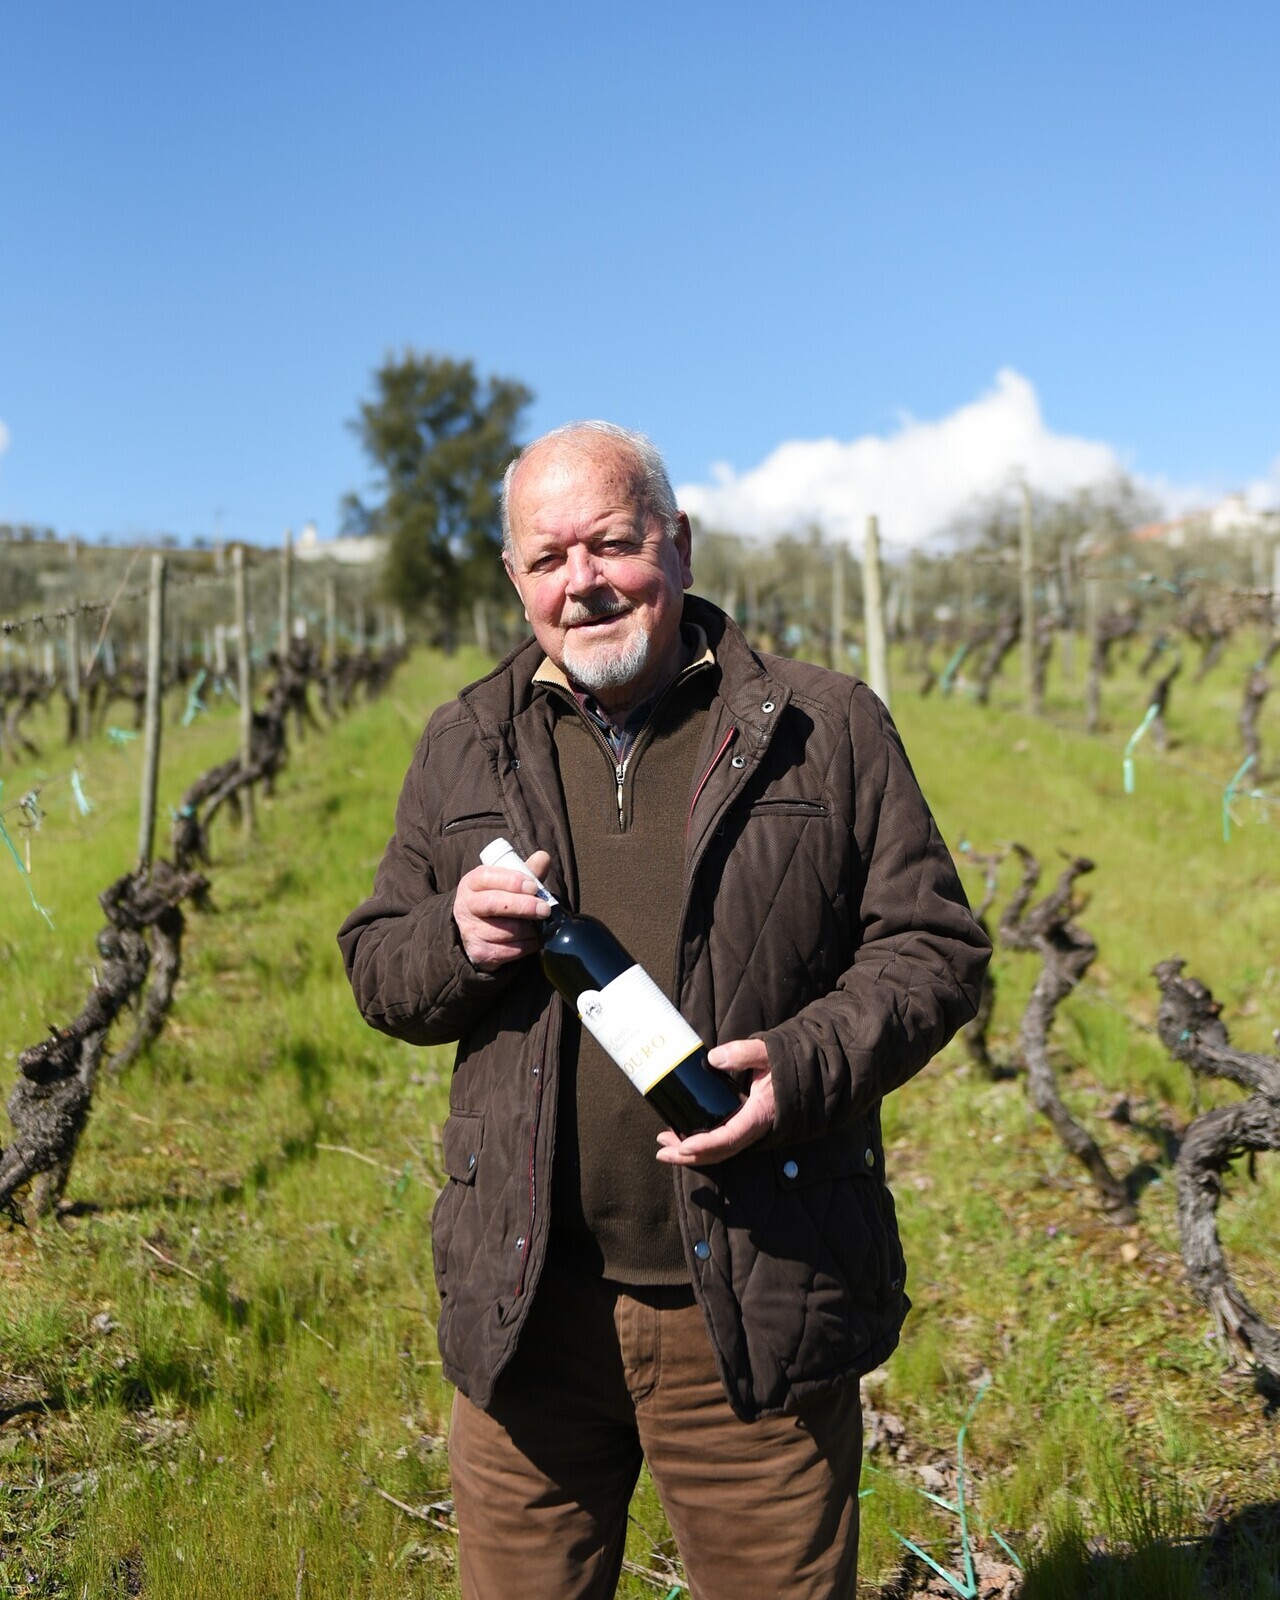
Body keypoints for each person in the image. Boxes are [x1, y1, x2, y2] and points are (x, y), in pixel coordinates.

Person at [338, 421, 990, 1600]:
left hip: (754, 1293)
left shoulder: (821, 726)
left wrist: (802, 1067)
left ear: (677, 542)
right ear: (515, 580)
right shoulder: (462, 744)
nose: (580, 582)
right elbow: (378, 967)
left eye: (611, 543)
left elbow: (933, 947)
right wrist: (452, 937)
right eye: (548, 559)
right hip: (528, 1308)